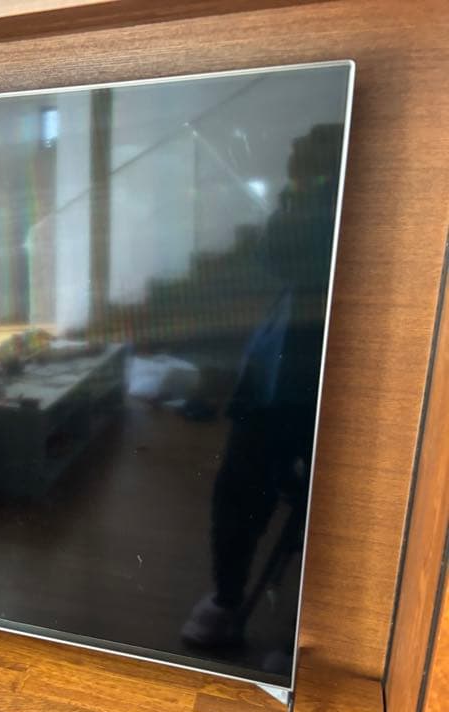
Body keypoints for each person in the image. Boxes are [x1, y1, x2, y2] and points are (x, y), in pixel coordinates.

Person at [181, 124, 344, 651]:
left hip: (310, 378)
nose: (297, 161)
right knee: (239, 488)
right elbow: (274, 256)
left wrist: (304, 188)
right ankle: (228, 598)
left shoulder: (337, 203)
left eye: (312, 156)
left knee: (250, 487)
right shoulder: (308, 200)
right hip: (277, 369)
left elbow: (288, 255)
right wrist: (299, 189)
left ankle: (252, 607)